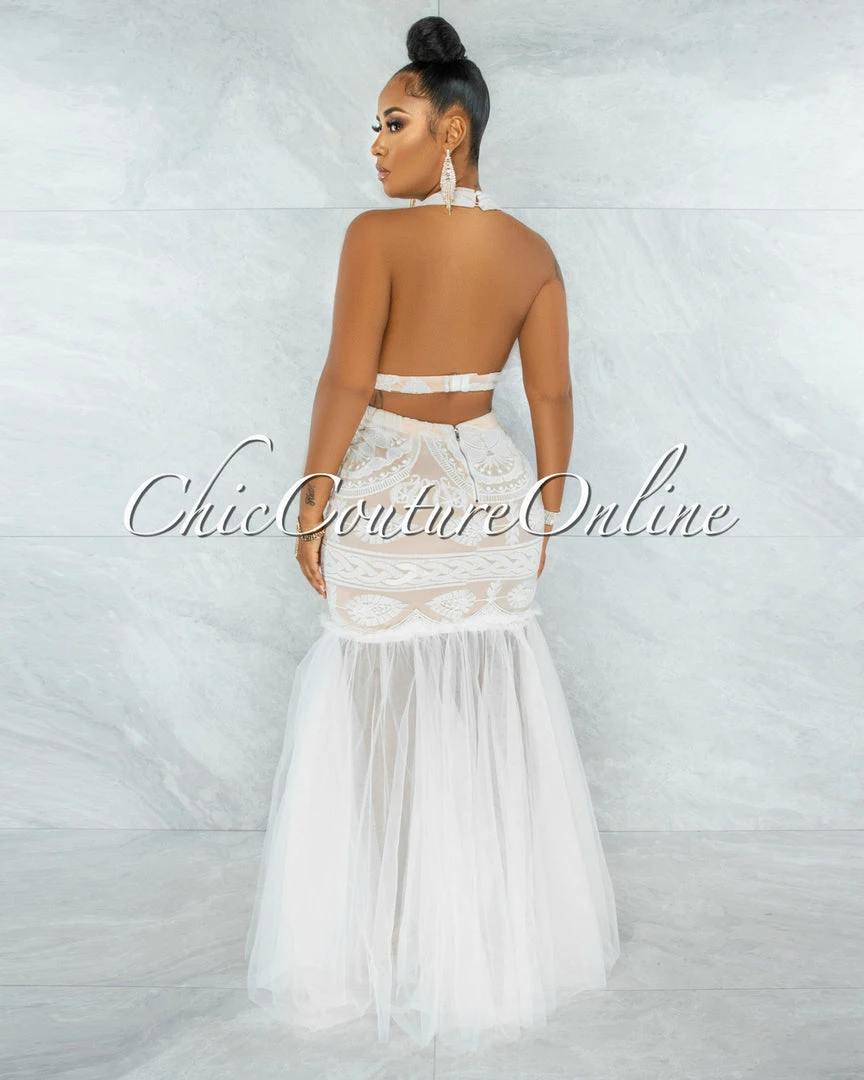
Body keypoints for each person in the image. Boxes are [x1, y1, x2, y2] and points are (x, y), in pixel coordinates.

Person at [245, 15, 621, 1054]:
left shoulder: (376, 239)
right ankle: (484, 947)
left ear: (452, 129)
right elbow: (551, 394)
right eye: (376, 125)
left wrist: (313, 504)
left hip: (386, 494)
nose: (374, 144)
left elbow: (345, 378)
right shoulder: (532, 253)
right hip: (492, 498)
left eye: (393, 122)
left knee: (374, 718)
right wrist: (548, 508)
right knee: (484, 709)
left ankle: (379, 940)